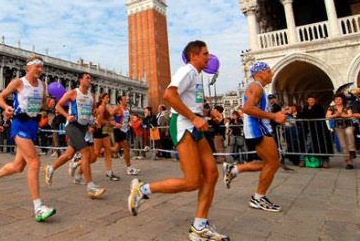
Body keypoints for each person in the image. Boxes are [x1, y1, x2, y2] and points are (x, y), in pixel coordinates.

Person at [128, 40, 229, 241]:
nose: (209, 57)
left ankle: (199, 226)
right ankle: (142, 189)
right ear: (194, 56)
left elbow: (193, 103)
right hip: (184, 126)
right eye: (205, 53)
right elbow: (169, 95)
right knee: (192, 181)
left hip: (194, 126)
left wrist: (208, 113)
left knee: (211, 174)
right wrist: (193, 118)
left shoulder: (197, 76)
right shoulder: (187, 71)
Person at [0, 56, 56, 222]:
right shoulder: (18, 82)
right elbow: (0, 97)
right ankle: (38, 208)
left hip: (32, 126)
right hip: (19, 124)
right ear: (28, 68)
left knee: (18, 166)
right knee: (34, 162)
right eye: (37, 67)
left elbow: (42, 104)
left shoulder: (42, 85)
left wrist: (48, 106)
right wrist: (6, 107)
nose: (40, 70)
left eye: (42, 67)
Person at [223, 62, 287, 212]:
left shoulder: (258, 87)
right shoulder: (256, 87)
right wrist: (274, 116)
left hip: (259, 129)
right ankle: (258, 198)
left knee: (268, 162)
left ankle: (234, 170)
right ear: (260, 73)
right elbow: (247, 108)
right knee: (273, 163)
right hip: (257, 129)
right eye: (269, 71)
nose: (271, 73)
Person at [43, 72, 106, 199]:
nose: (89, 79)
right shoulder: (73, 93)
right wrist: (67, 116)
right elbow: (58, 105)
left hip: (83, 128)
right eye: (87, 77)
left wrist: (93, 122)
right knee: (86, 154)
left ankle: (50, 168)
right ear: (80, 80)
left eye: (90, 78)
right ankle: (91, 187)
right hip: (72, 126)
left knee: (68, 155)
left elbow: (91, 112)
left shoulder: (92, 96)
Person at [298, 95, 333, 168]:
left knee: (323, 144)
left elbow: (317, 115)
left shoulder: (318, 107)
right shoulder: (305, 108)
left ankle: (325, 161)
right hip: (309, 129)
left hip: (319, 129)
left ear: (315, 100)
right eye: (309, 100)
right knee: (308, 144)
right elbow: (303, 116)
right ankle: (303, 160)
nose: (311, 101)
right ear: (307, 101)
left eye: (312, 99)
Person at [93, 92, 120, 181]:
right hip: (99, 132)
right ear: (102, 99)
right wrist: (111, 123)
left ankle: (109, 172)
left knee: (108, 151)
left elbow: (109, 117)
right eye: (107, 97)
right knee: (96, 154)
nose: (108, 99)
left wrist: (114, 122)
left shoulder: (105, 107)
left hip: (105, 132)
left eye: (108, 97)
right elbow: (100, 120)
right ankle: (78, 163)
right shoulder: (101, 108)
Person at [111, 95, 140, 176]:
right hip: (118, 130)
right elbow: (109, 117)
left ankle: (102, 150)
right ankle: (129, 168)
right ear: (120, 101)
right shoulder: (117, 108)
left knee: (116, 149)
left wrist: (129, 123)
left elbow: (127, 119)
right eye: (124, 99)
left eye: (126, 99)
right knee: (126, 147)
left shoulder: (127, 109)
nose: (126, 100)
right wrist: (115, 123)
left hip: (124, 131)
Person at [327, 93, 355, 169]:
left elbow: (350, 114)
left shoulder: (347, 106)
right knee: (343, 145)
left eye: (339, 99)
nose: (338, 101)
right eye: (336, 99)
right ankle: (348, 162)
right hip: (338, 127)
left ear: (342, 100)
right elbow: (327, 116)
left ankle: (352, 150)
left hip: (348, 125)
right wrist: (335, 115)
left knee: (349, 133)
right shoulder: (332, 108)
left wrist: (343, 115)